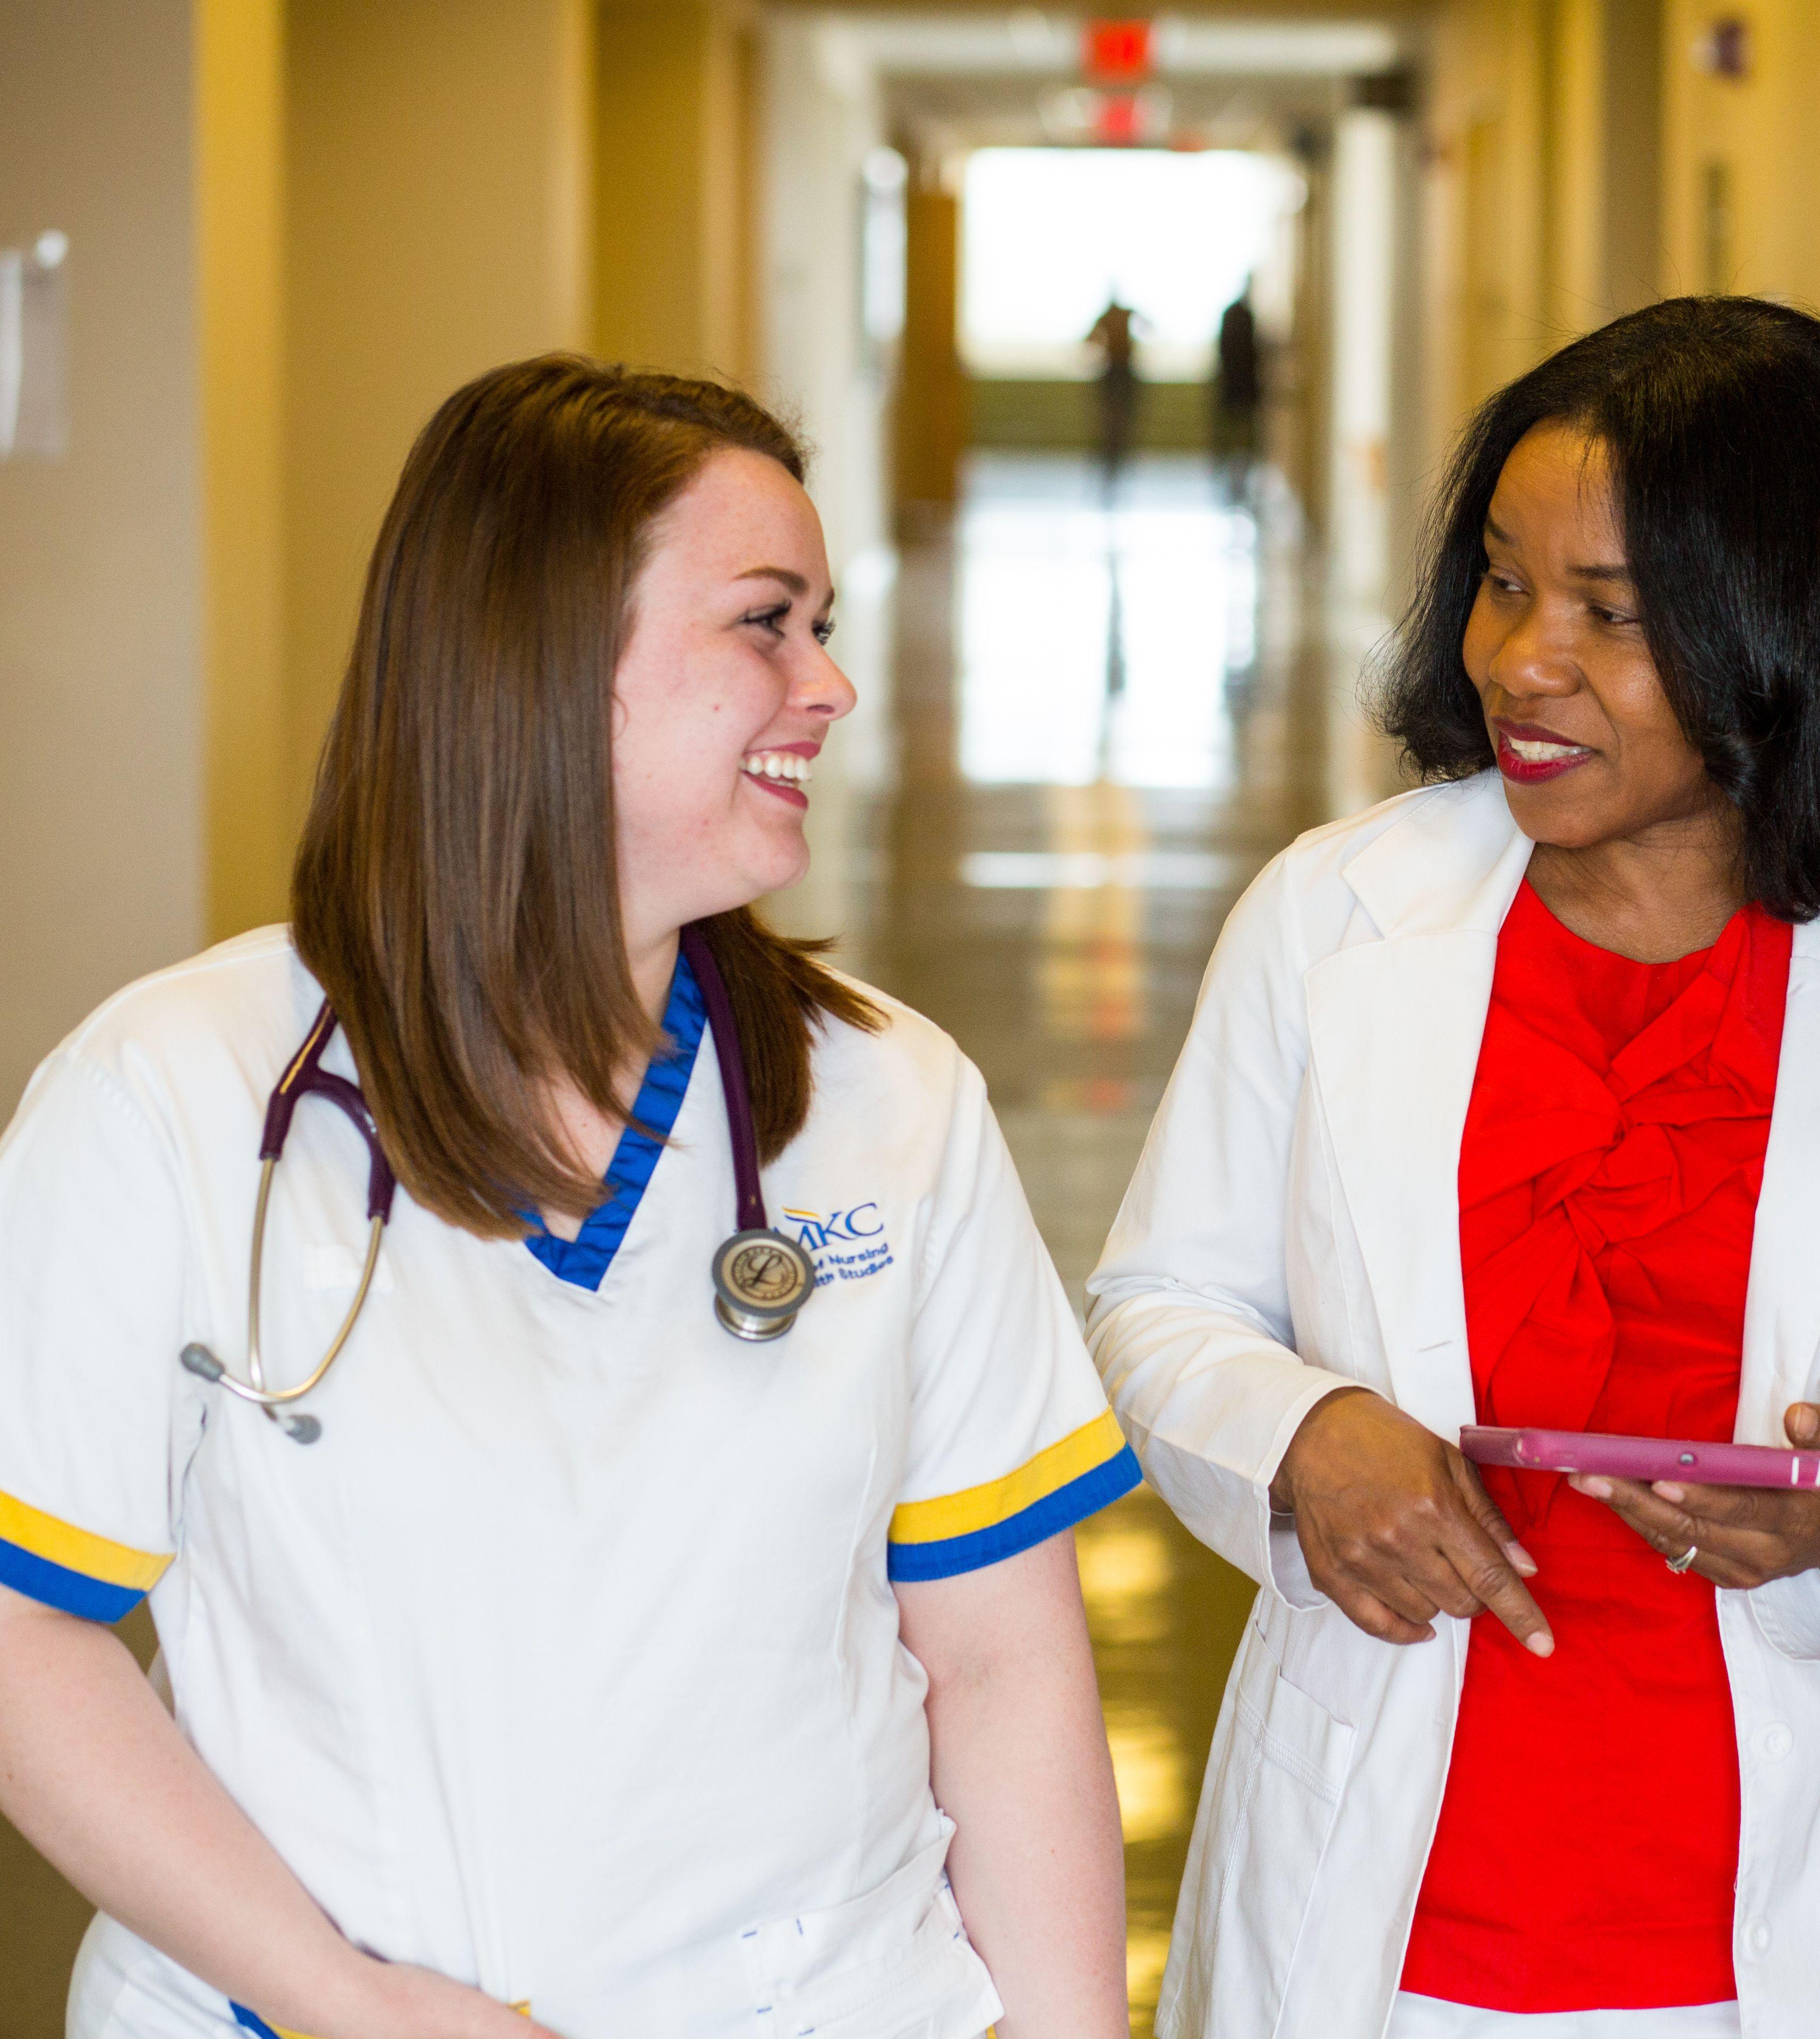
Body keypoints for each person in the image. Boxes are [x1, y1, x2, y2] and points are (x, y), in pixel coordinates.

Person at [0, 357, 1133, 2039]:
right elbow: (27, 1642)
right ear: (539, 653)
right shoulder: (166, 1094)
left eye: (823, 623)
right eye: (768, 619)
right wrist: (349, 1998)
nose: (828, 685)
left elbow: (1000, 1658)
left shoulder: (893, 1103)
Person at [1089, 296, 1820, 2039]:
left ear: (1796, 633)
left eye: (1613, 614)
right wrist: (1300, 1437)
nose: (1525, 660)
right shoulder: (1338, 915)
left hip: (1800, 1932)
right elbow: (1163, 1296)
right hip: (1392, 1919)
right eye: (1508, 585)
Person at [1212, 281, 1263, 495]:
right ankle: (1230, 461)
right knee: (1235, 425)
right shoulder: (1241, 316)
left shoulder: (1238, 315)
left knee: (1238, 425)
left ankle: (1234, 461)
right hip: (1238, 380)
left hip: (1237, 380)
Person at [1087, 297, 1141, 483]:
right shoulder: (1107, 317)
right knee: (1111, 416)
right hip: (1114, 372)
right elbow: (1090, 339)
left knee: (1122, 416)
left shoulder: (1122, 314)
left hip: (1123, 371)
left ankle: (1119, 450)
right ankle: (1112, 450)